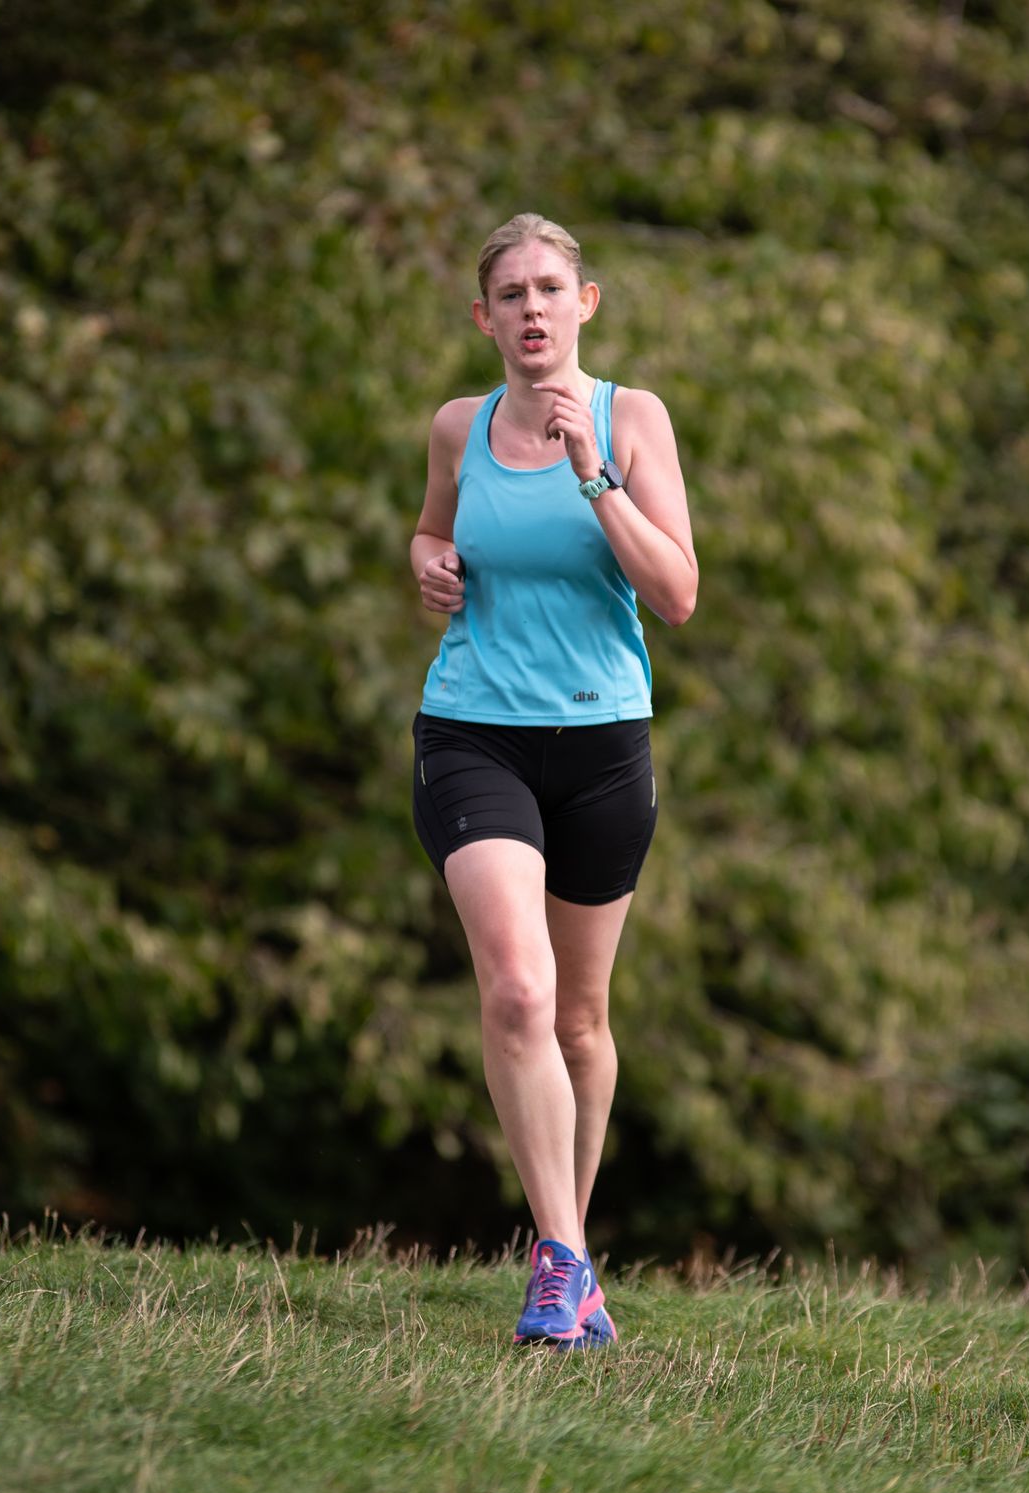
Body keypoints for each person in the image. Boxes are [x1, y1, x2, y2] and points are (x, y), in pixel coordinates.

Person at [407, 213, 699, 1349]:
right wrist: (429, 565)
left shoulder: (633, 419)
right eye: (510, 294)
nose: (531, 309)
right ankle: (561, 1260)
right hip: (473, 732)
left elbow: (676, 593)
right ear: (484, 319)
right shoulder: (457, 426)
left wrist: (594, 478)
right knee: (520, 994)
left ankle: (572, 1264)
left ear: (586, 303)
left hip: (602, 745)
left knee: (580, 1018)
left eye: (549, 288)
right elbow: (430, 535)